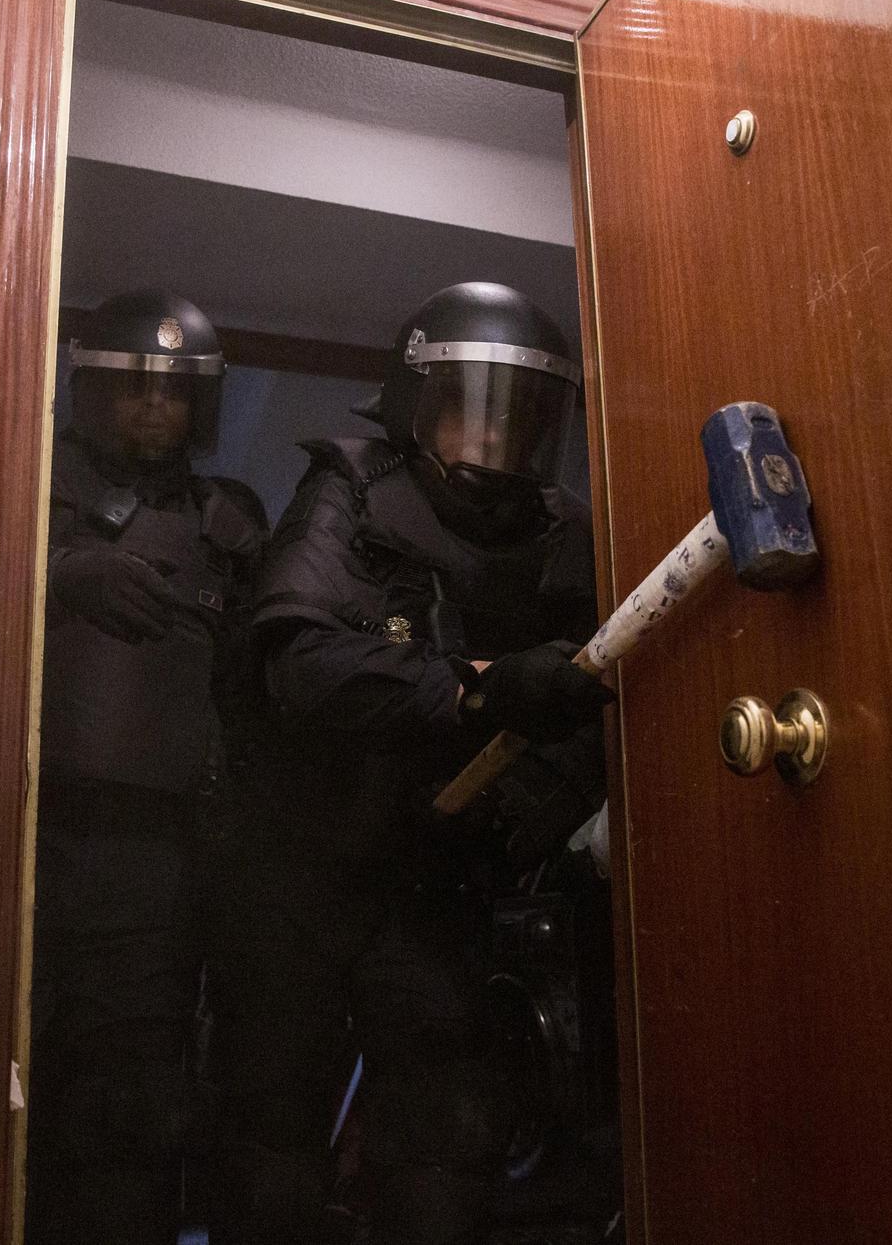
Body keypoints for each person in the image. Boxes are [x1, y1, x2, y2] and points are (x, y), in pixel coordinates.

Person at [206, 282, 613, 1245]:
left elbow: (601, 696)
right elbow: (298, 664)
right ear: (413, 403)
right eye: (471, 413)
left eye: (518, 420)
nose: (493, 444)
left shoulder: (563, 534)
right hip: (301, 873)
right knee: (269, 1147)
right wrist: (468, 690)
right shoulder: (350, 489)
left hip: (442, 890)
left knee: (446, 1151)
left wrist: (547, 796)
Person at [24, 288, 267, 1245]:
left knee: (132, 1107)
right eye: (134, 387)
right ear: (94, 390)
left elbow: (264, 681)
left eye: (174, 391)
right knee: (19, 1077)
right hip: (37, 835)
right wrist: (57, 574)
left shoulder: (227, 520)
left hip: (167, 856)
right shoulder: (30, 485)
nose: (155, 407)